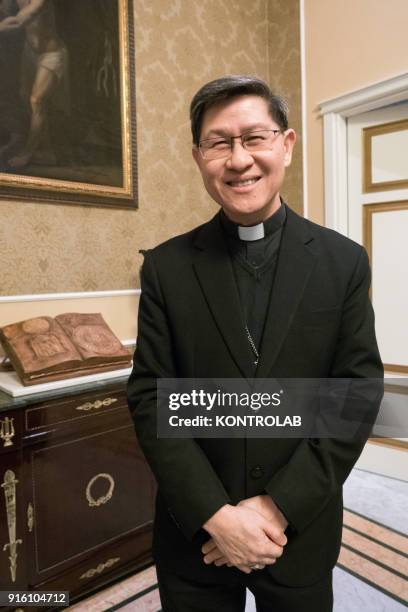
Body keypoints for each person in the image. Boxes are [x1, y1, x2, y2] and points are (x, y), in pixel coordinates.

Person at [127, 75, 383, 612]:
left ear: (286, 145)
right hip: (195, 534)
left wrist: (274, 509)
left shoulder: (342, 263)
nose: (238, 159)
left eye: (254, 138)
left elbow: (354, 395)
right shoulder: (167, 268)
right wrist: (219, 518)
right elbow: (152, 397)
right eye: (219, 143)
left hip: (298, 529)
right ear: (199, 157)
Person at [0, 0, 67, 169]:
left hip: (52, 54)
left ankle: (27, 154)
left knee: (36, 101)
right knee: (26, 99)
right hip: (29, 53)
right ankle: (47, 151)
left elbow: (19, 21)